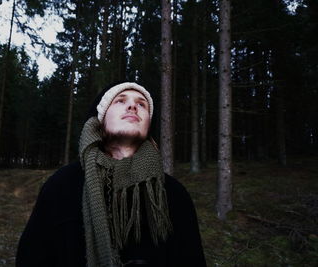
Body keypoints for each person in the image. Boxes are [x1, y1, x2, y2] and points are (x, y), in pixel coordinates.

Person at [16, 82, 206, 267]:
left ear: (149, 124)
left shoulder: (173, 193)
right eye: (120, 101)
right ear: (100, 118)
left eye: (142, 104)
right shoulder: (62, 185)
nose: (132, 106)